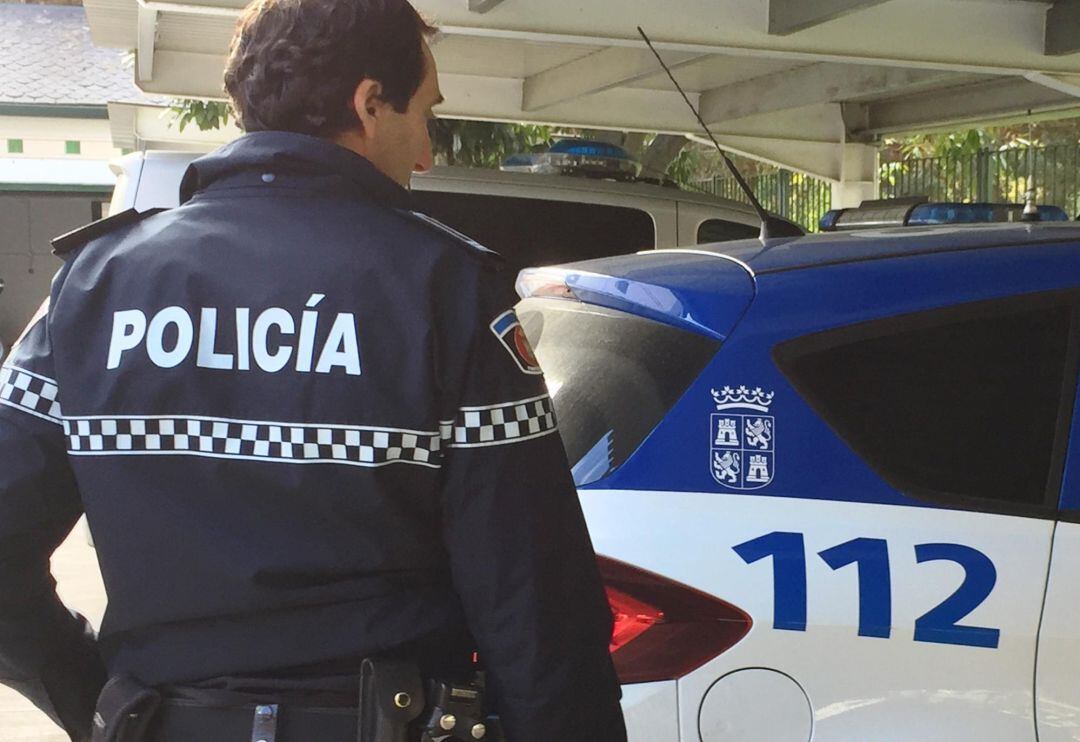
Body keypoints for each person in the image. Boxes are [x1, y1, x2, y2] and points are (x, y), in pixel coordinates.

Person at [0, 0, 627, 740]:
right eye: (426, 114)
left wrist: (101, 705)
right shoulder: (445, 289)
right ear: (369, 104)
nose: (426, 154)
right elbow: (536, 601)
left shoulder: (93, 286)